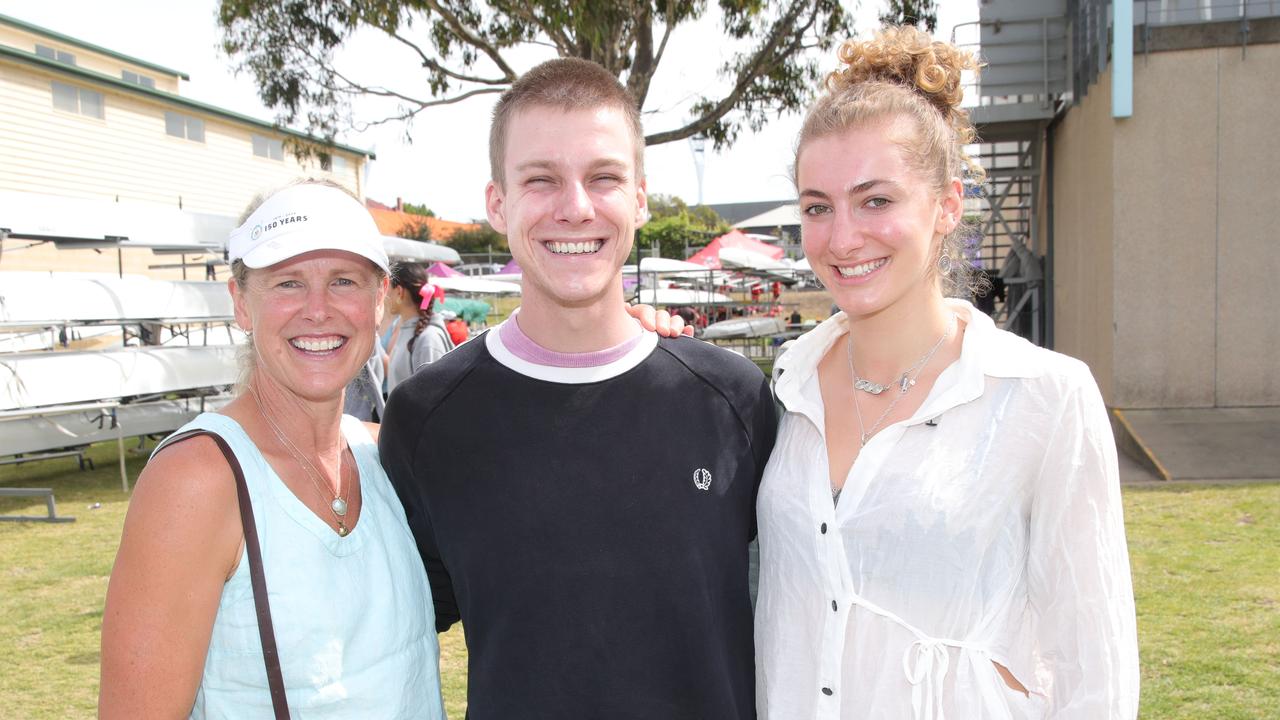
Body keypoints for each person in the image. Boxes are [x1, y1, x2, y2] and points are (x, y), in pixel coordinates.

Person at [754, 27, 1140, 719]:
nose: (843, 237)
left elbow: (1096, 672)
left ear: (947, 206)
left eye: (877, 200)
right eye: (818, 207)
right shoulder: (786, 386)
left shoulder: (1044, 397)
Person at [379, 58, 777, 719]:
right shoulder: (427, 419)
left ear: (641, 197)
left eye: (603, 178)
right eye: (541, 180)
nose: (576, 207)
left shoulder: (732, 400)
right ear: (497, 203)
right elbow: (382, 629)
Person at [99, 180, 447, 719]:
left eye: (344, 281)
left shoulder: (385, 458)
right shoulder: (198, 479)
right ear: (240, 303)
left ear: (379, 300)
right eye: (287, 282)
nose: (317, 310)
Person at [384, 262, 454, 393]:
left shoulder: (429, 339)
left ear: (399, 292)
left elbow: (434, 395)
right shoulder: (407, 330)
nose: (384, 297)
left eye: (387, 290)